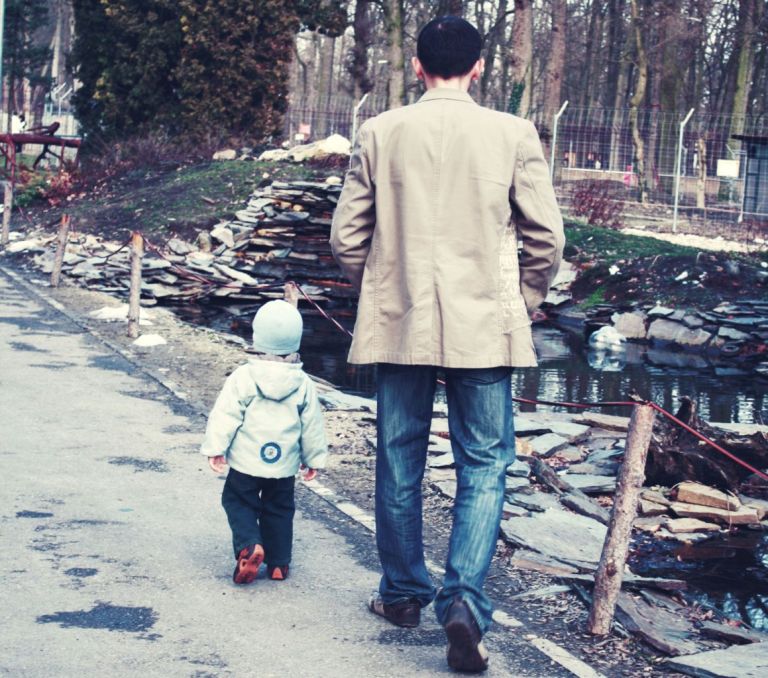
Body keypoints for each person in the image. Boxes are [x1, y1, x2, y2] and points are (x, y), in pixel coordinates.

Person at [330, 16, 564, 674]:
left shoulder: (381, 132)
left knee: (398, 458)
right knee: (484, 464)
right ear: (480, 67)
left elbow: (346, 238)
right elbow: (547, 239)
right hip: (484, 326)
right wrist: (523, 300)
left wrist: (382, 289)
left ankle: (403, 593)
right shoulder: (513, 134)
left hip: (400, 320)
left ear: (417, 65)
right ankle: (462, 599)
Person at [201, 300, 328, 584]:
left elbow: (226, 414)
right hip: (284, 463)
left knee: (237, 500)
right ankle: (279, 564)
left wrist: (216, 448)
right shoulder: (303, 383)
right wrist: (313, 458)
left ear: (256, 337)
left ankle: (249, 545)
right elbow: (312, 424)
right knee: (279, 509)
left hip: (246, 461)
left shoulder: (244, 377)